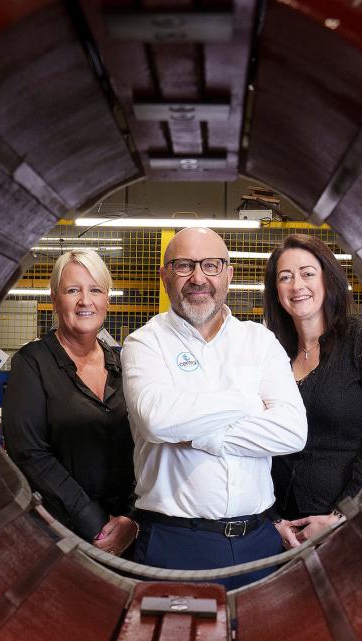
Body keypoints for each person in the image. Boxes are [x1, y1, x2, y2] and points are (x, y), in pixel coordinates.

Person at [122, 227, 307, 589]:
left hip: (259, 541)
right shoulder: (144, 342)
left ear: (228, 274)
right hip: (174, 543)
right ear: (164, 276)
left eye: (211, 265)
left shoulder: (260, 341)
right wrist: (246, 400)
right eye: (183, 266)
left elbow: (291, 432)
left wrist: (200, 436)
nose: (198, 277)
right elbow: (158, 421)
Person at [262, 233, 362, 548]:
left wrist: (340, 515)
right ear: (276, 291)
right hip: (277, 529)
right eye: (285, 277)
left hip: (347, 526)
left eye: (307, 273)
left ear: (328, 279)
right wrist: (273, 519)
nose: (297, 285)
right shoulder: (270, 353)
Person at [2, 249, 138, 554]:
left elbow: (147, 444)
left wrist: (131, 518)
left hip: (127, 531)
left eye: (95, 290)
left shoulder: (124, 363)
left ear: (107, 300)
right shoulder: (32, 363)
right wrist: (94, 524)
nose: (85, 301)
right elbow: (30, 454)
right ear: (54, 298)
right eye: (73, 290)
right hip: (59, 532)